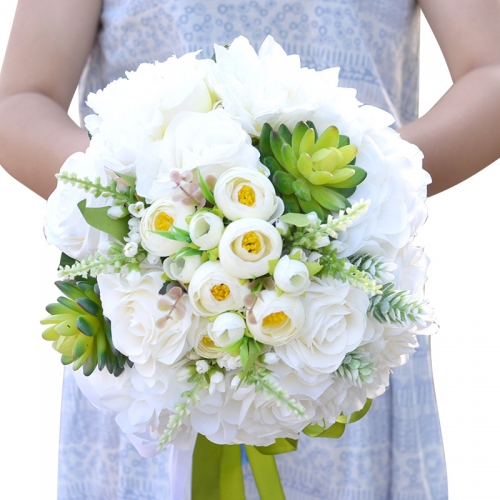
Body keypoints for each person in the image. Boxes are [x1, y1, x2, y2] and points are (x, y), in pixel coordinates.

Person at [0, 1, 499, 499]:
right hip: (150, 332)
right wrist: (140, 204)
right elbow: (22, 97)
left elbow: (490, 69)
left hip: (339, 316)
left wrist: (376, 186)